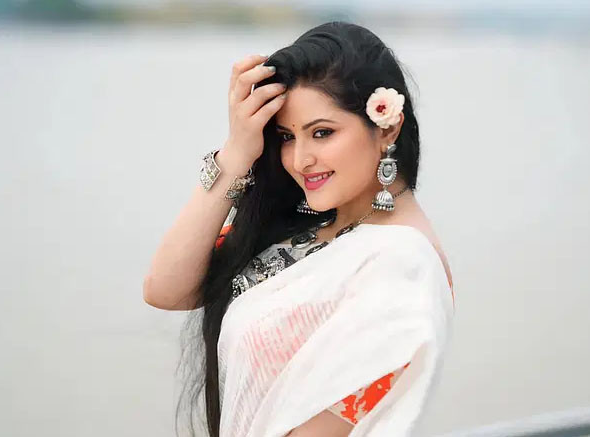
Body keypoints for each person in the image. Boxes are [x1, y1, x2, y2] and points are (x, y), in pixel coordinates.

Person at [143, 21, 455, 437]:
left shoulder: (401, 265)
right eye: (287, 137)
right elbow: (166, 289)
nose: (299, 159)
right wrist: (236, 154)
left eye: (322, 133)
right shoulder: (317, 224)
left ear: (387, 126)